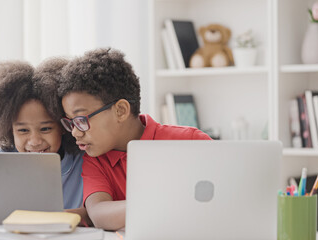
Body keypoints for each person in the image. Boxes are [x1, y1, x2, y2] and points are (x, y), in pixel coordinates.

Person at [57, 48, 212, 230]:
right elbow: (99, 214)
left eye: (81, 120)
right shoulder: (94, 159)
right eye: (71, 123)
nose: (75, 132)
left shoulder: (192, 142)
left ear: (121, 110)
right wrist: (170, 202)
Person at [0, 59, 91, 225]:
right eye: (23, 130)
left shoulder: (84, 162)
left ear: (63, 126)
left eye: (46, 129)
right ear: (8, 130)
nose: (34, 142)